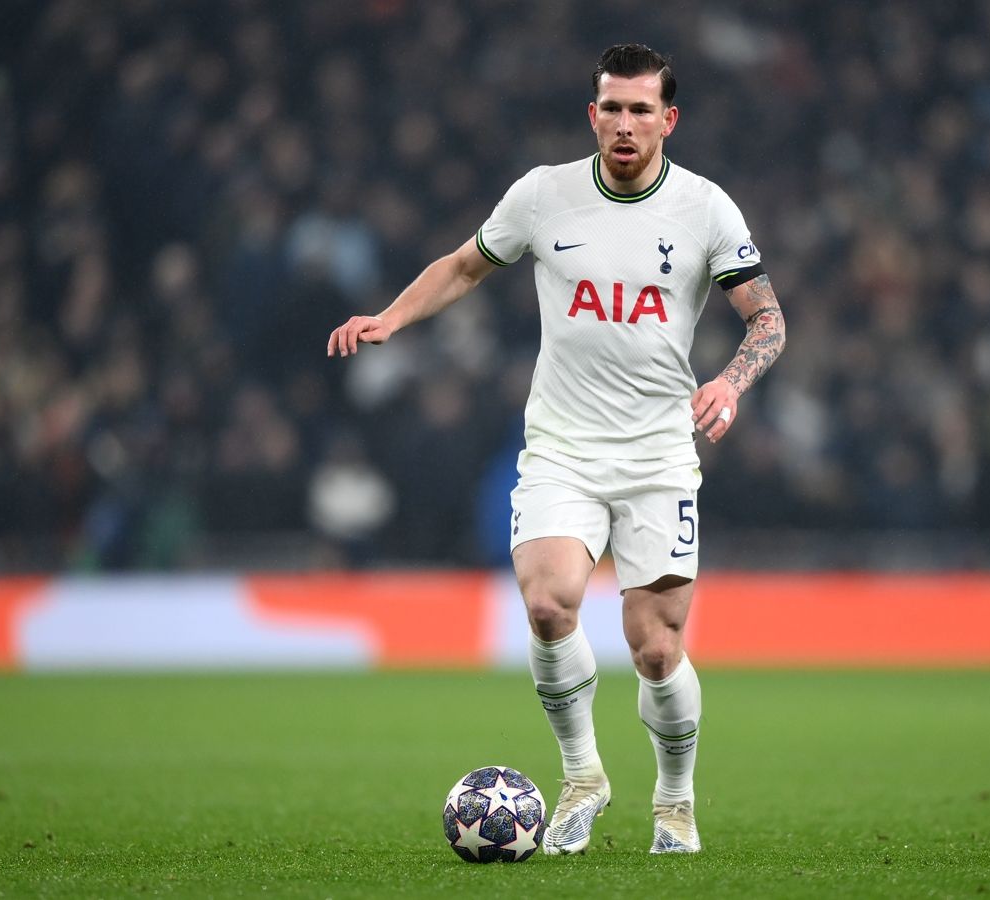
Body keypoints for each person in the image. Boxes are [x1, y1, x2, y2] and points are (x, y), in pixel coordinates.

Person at [328, 43, 785, 855]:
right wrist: (392, 318)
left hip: (657, 455)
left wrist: (730, 382)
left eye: (641, 109)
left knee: (656, 649)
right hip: (562, 448)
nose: (625, 123)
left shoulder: (706, 209)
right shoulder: (544, 194)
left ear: (669, 120)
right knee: (547, 605)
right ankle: (582, 776)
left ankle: (674, 801)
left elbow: (769, 320)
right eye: (612, 108)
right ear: (592, 115)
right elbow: (464, 266)